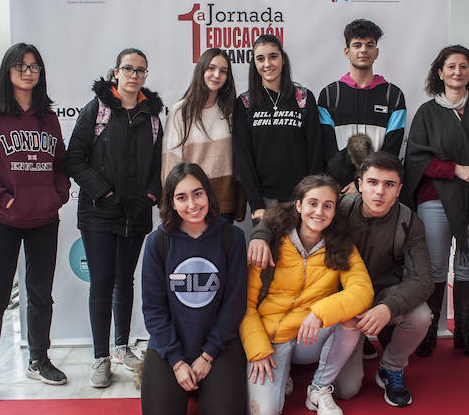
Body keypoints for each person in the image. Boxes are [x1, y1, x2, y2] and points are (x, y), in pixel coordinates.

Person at [249, 151, 433, 407]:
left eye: (388, 184)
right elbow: (288, 212)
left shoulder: (408, 222)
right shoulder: (337, 206)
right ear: (359, 185)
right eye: (372, 182)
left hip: (381, 295)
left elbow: (423, 279)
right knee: (347, 389)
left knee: (421, 315)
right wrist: (260, 235)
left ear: (399, 189)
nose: (379, 192)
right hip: (340, 301)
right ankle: (299, 366)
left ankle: (391, 367)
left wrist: (387, 308)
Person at [0, 43, 70, 405]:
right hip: (4, 220)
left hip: (44, 219)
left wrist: (57, 195)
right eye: (21, 66)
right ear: (7, 70)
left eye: (35, 66)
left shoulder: (48, 117)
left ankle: (39, 359)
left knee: (41, 294)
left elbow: (60, 165)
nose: (29, 72)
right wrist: (5, 197)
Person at [65, 48, 163, 389]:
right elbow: (74, 159)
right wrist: (104, 192)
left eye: (140, 70)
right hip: (98, 214)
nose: (134, 75)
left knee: (126, 281)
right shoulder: (97, 110)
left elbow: (158, 166)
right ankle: (100, 358)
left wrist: (151, 195)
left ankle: (122, 347)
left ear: (145, 76)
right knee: (103, 283)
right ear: (116, 72)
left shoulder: (152, 116)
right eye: (128, 69)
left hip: (135, 215)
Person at [239, 175, 373, 415]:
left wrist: (321, 312)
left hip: (310, 333)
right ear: (299, 205)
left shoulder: (341, 246)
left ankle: (319, 389)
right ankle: (284, 372)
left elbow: (362, 291)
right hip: (273, 335)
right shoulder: (271, 243)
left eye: (327, 206)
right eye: (312, 203)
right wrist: (257, 350)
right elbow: (245, 304)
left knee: (351, 320)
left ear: (334, 211)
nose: (319, 212)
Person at [140, 163, 247, 415]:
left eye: (197, 194)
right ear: (171, 203)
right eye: (182, 197)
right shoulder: (157, 242)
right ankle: (181, 383)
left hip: (218, 346)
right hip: (172, 346)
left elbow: (234, 304)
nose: (192, 204)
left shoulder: (231, 237)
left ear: (209, 195)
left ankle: (205, 385)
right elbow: (153, 310)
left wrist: (208, 355)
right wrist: (176, 361)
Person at [404, 45, 469, 359]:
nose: (457, 72)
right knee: (437, 267)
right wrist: (455, 169)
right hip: (436, 199)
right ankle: (429, 332)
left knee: (467, 267)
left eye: (464, 66)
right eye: (451, 66)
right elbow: (416, 157)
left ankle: (464, 333)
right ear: (439, 73)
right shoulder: (427, 112)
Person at [232, 34, 325, 223]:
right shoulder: (245, 103)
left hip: (301, 199)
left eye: (273, 56)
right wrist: (256, 203)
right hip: (265, 201)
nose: (267, 64)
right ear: (254, 64)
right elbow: (244, 158)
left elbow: (316, 151)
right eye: (260, 58)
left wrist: (312, 195)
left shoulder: (304, 98)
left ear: (283, 59)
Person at [318, 19, 407, 192]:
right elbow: (328, 151)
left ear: (376, 52)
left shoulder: (394, 96)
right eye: (357, 45)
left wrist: (362, 183)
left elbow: (390, 151)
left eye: (369, 45)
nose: (363, 50)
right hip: (339, 190)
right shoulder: (329, 95)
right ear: (347, 51)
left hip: (376, 190)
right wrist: (349, 183)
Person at [161, 48, 244, 222]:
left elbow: (238, 159)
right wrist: (176, 201)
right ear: (201, 70)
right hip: (192, 203)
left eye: (223, 71)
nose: (217, 75)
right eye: (211, 68)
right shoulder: (181, 111)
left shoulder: (230, 110)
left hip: (224, 201)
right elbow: (172, 162)